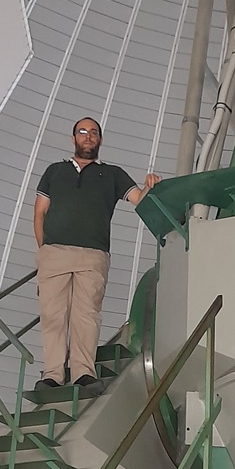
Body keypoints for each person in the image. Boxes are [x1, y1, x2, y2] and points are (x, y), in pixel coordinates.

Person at [33, 117, 161, 395]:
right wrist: (44, 251)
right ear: (73, 138)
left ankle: (83, 372)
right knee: (53, 314)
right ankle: (52, 374)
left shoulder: (112, 174)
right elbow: (40, 211)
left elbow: (140, 200)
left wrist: (151, 186)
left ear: (100, 140)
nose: (88, 136)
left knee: (86, 314)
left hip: (93, 255)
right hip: (54, 253)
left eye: (94, 133)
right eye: (82, 132)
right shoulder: (54, 171)